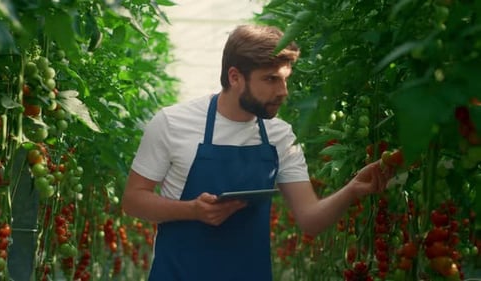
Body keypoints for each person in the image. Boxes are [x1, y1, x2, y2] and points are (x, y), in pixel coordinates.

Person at [122, 24, 393, 281]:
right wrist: (192, 210)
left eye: (285, 80)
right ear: (235, 77)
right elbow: (133, 200)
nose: (283, 92)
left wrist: (352, 190)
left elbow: (310, 219)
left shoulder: (280, 135)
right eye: (271, 79)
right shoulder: (173, 123)